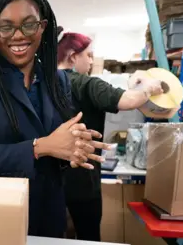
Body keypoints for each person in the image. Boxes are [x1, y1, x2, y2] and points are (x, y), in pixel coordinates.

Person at [0, 0, 109, 238]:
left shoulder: (58, 80)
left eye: (28, 25)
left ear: (42, 27)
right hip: (0, 215)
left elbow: (60, 145)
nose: (17, 35)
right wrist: (40, 146)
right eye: (6, 27)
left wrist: (74, 149)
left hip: (50, 213)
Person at [56, 27, 164, 241]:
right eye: (88, 55)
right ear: (72, 56)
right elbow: (128, 101)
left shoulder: (40, 86)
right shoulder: (86, 83)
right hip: (83, 181)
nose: (90, 61)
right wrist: (150, 88)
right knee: (88, 236)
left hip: (51, 183)